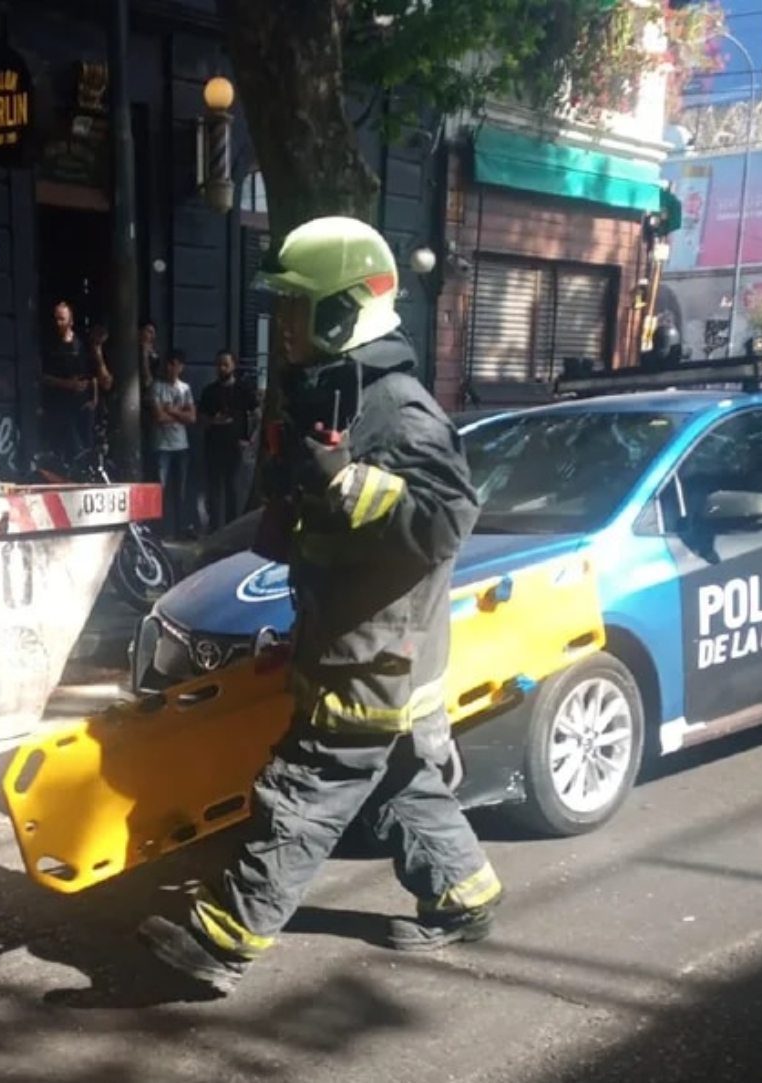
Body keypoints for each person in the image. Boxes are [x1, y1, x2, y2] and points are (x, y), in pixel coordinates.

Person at [136, 216, 502, 997]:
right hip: (359, 643)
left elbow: (444, 522)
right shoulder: (342, 395)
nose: (284, 326)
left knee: (302, 790)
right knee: (401, 781)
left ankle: (224, 939)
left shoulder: (398, 409)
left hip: (375, 655)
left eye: (297, 310)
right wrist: (212, 551)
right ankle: (467, 892)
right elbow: (310, 520)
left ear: (342, 311)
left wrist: (341, 480)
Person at [41, 301, 111, 464]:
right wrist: (66, 384)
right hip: (59, 409)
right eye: (56, 319)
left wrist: (93, 399)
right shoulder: (49, 345)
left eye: (62, 319)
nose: (58, 323)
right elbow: (41, 376)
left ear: (71, 321)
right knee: (68, 451)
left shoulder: (83, 346)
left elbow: (97, 377)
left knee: (86, 450)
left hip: (82, 409)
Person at [198, 349, 258, 532]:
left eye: (225, 364)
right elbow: (200, 418)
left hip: (235, 445)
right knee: (214, 488)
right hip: (214, 445)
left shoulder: (243, 389)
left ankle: (232, 526)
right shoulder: (209, 391)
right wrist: (213, 421)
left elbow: (257, 413)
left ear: (234, 366)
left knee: (233, 487)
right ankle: (215, 527)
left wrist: (250, 439)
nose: (222, 368)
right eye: (219, 365)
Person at [151, 348, 195, 538]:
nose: (171, 368)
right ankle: (161, 530)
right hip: (162, 446)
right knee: (161, 489)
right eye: (169, 364)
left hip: (181, 445)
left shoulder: (185, 389)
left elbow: (192, 418)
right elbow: (159, 417)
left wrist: (171, 410)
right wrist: (179, 413)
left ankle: (179, 529)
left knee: (181, 490)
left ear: (181, 367)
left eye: (175, 364)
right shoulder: (157, 387)